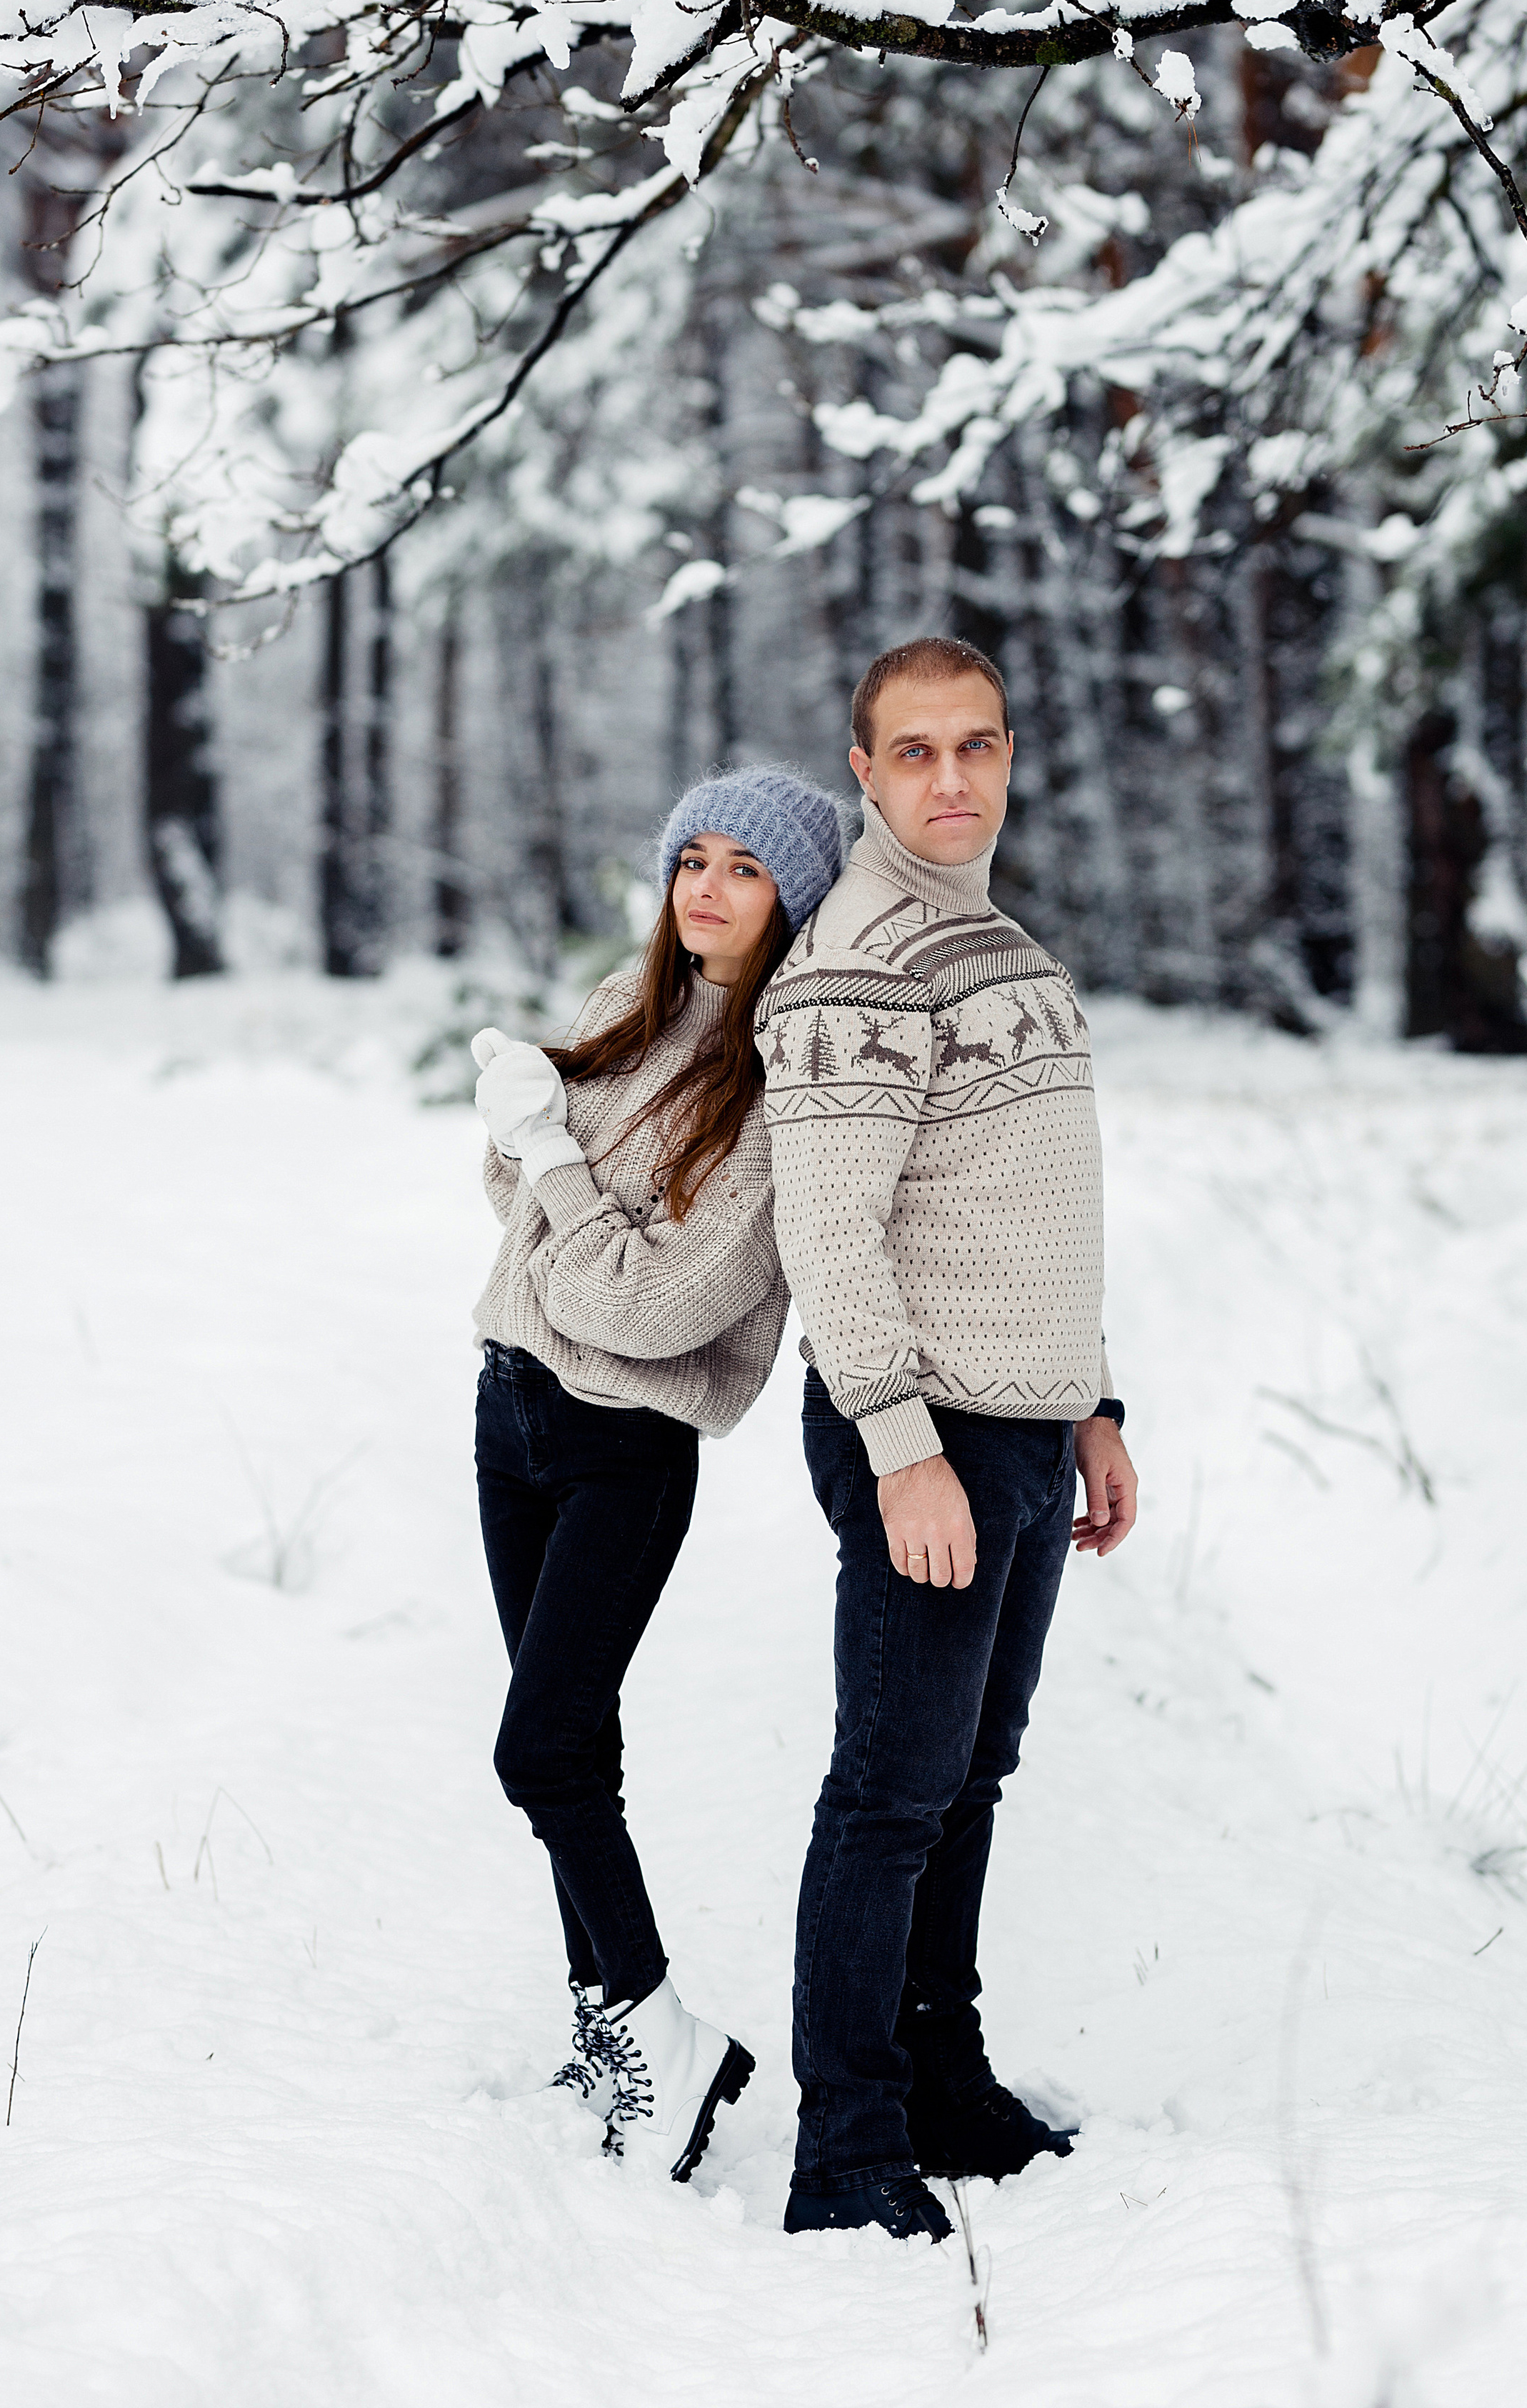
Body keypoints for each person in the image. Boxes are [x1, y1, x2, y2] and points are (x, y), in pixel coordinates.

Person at [756, 636, 1140, 2242]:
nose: (949, 780)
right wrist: (902, 1448)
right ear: (861, 769)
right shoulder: (858, 960)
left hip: (1019, 1425)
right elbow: (831, 1239)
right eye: (911, 753)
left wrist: (1094, 1405)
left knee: (967, 1775)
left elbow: (1025, 1208)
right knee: (890, 1793)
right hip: (924, 1433)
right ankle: (843, 2148)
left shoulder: (988, 936)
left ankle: (941, 2084)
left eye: (974, 745)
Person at [469, 766, 842, 2184]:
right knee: (573, 1745)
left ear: (791, 902)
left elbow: (648, 1307)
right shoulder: (623, 1026)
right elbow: (519, 1214)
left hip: (624, 1443)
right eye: (694, 854)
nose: (705, 884)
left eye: (745, 866)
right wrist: (543, 1151)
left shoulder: (768, 1099)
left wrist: (552, 1155)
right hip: (508, 1407)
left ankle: (663, 2033)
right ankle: (607, 2016)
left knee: (539, 1750)